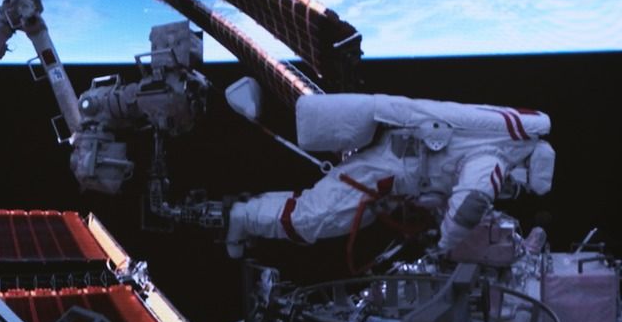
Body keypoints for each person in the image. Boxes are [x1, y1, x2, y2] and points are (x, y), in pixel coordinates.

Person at [226, 93, 554, 259]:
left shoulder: (500, 136)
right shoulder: (495, 158)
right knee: (315, 219)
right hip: (383, 172)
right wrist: (444, 245)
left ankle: (257, 210)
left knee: (320, 209)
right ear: (523, 171)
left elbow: (451, 183)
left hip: (391, 169)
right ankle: (244, 216)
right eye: (517, 187)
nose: (509, 189)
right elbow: (470, 204)